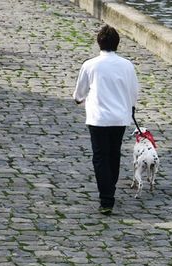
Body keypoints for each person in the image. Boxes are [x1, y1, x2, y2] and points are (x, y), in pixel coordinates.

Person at [73, 25, 139, 215]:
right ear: (117, 44)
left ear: (98, 43)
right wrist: (131, 106)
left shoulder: (90, 65)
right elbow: (133, 90)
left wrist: (79, 99)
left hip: (98, 118)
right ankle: (110, 187)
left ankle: (106, 198)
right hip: (120, 117)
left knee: (100, 157)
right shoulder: (127, 65)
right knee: (114, 153)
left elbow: (80, 92)